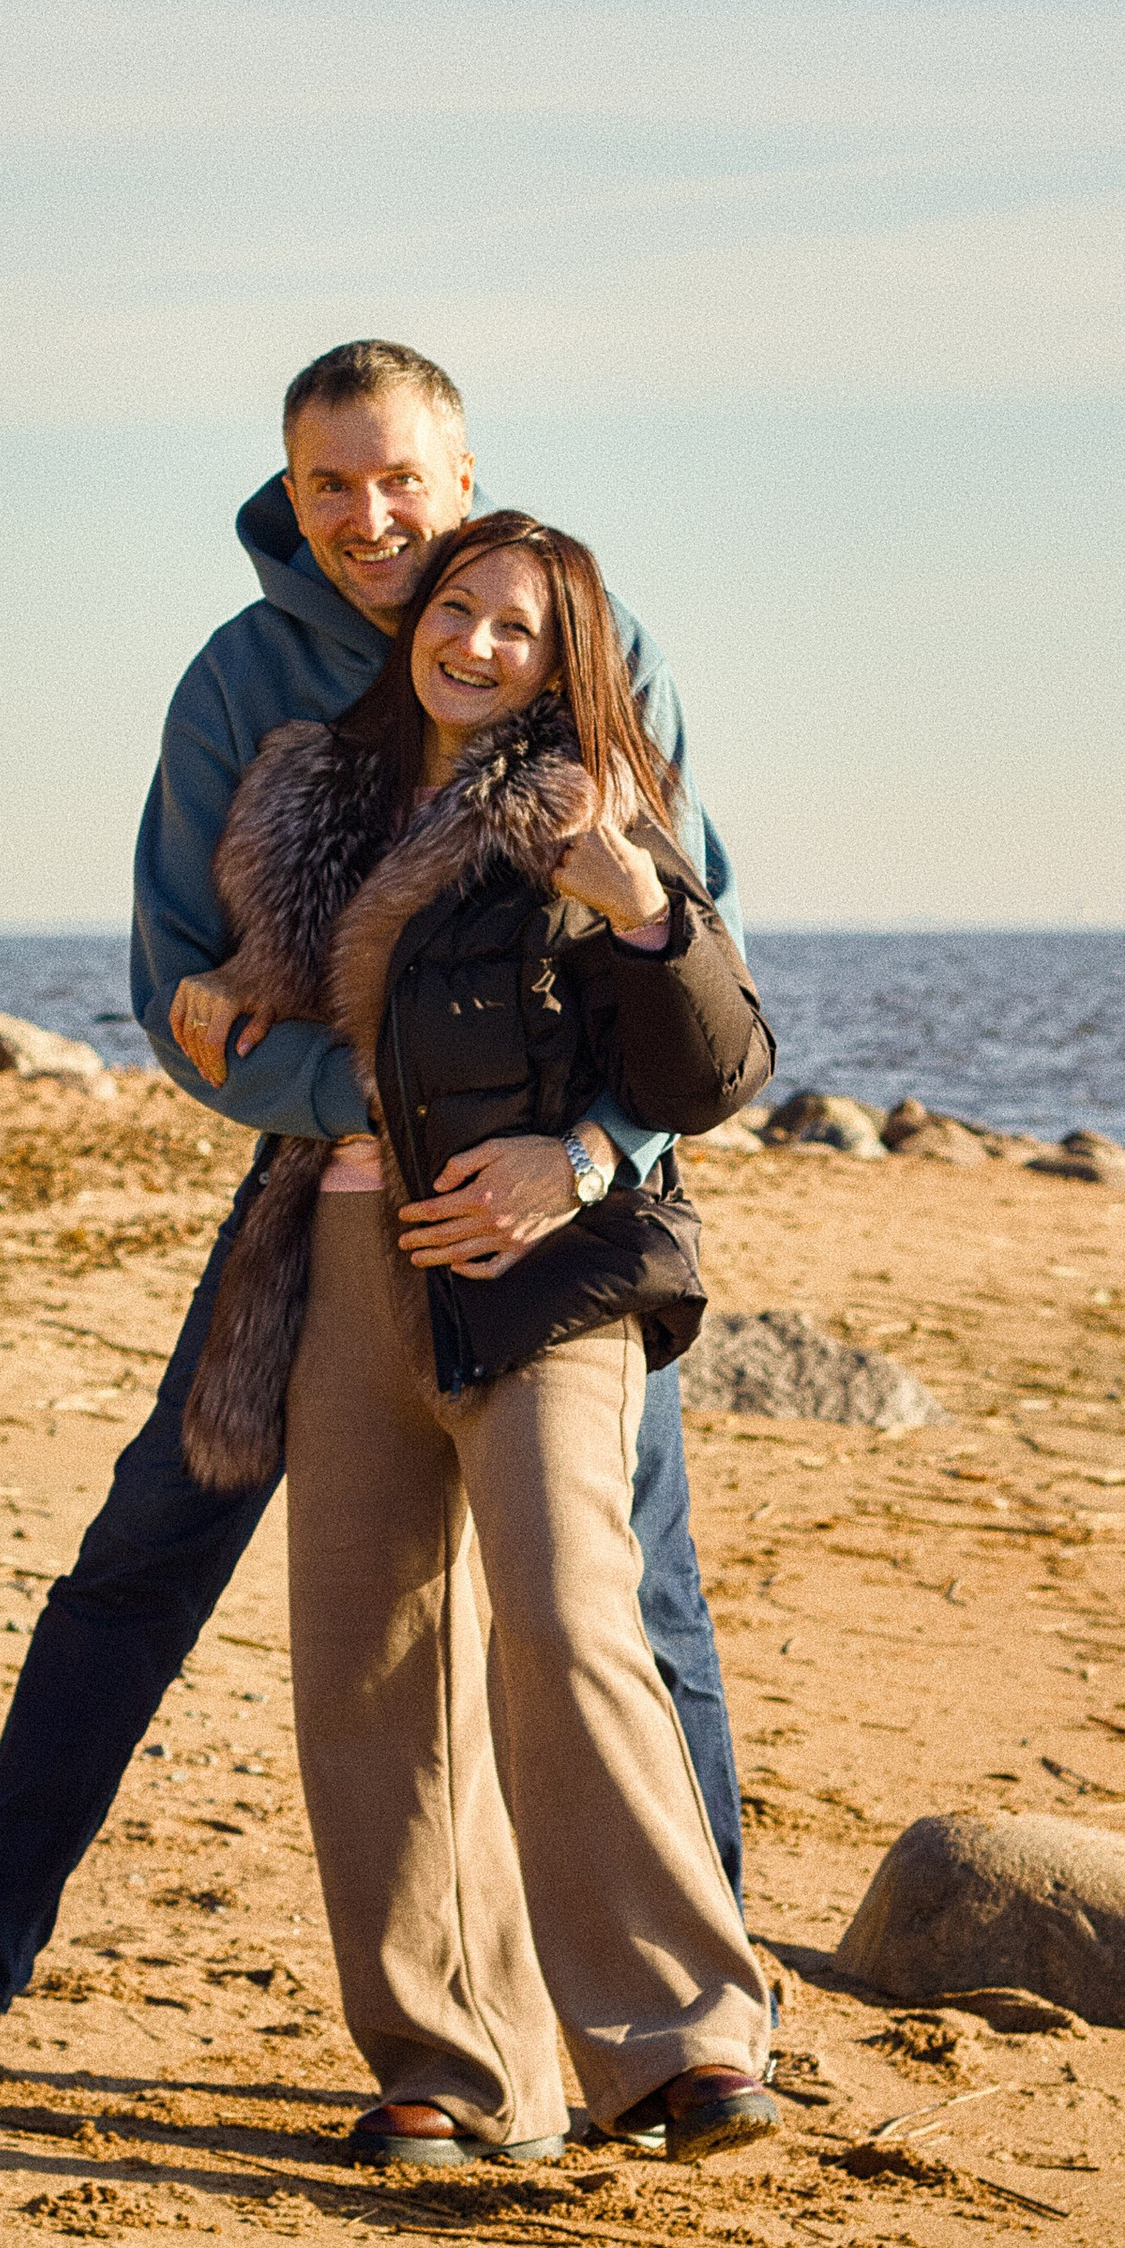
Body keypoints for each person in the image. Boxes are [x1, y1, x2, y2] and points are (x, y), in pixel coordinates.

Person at [0, 342, 751, 2081]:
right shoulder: (242, 685)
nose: (370, 520)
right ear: (289, 492)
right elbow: (179, 991)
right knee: (146, 1554)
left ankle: (699, 2029)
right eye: (330, 485)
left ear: (461, 472)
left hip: (562, 1211)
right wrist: (345, 1087)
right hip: (323, 1199)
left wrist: (572, 1157)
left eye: (401, 481)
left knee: (626, 1594)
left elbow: (690, 955)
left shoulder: (584, 635)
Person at [180, 510, 779, 2164]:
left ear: (566, 656)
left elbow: (723, 1065)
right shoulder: (332, 792)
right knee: (366, 1658)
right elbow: (316, 985)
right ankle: (455, 2068)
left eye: (520, 626)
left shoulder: (598, 801)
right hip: (352, 1253)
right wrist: (236, 991)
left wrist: (632, 954)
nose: (478, 643)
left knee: (571, 1613)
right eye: (459, 609)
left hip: (548, 1275)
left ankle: (685, 2041)